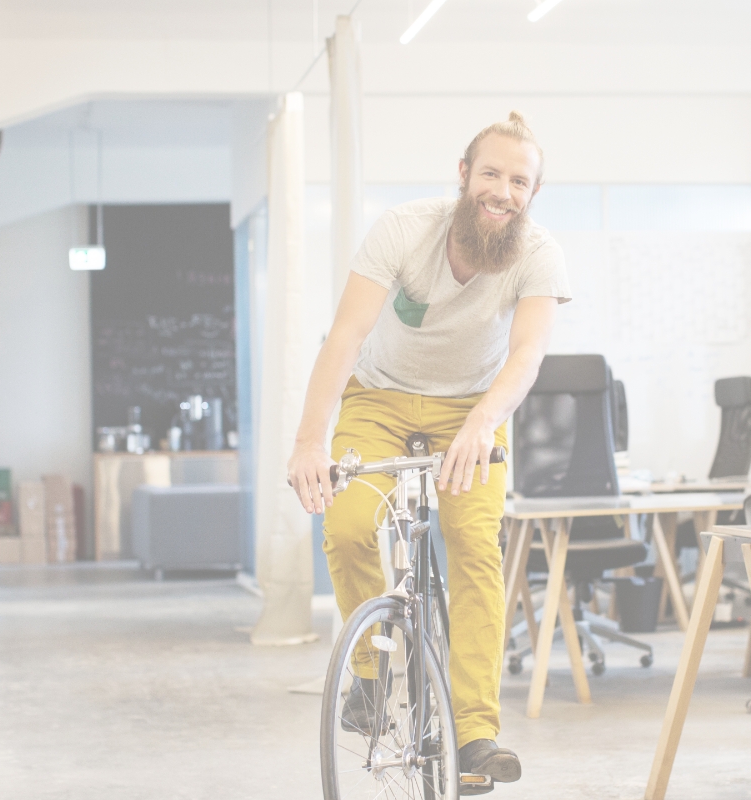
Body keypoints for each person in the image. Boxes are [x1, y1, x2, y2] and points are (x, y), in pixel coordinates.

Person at [287, 111, 568, 791]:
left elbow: (527, 354)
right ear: (465, 175)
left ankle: (475, 732)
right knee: (349, 525)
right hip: (379, 399)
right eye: (492, 173)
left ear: (533, 194)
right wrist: (308, 441)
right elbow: (346, 337)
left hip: (472, 412)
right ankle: (370, 677)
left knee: (474, 548)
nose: (504, 190)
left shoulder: (538, 254)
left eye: (520, 181)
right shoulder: (405, 230)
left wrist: (482, 422)